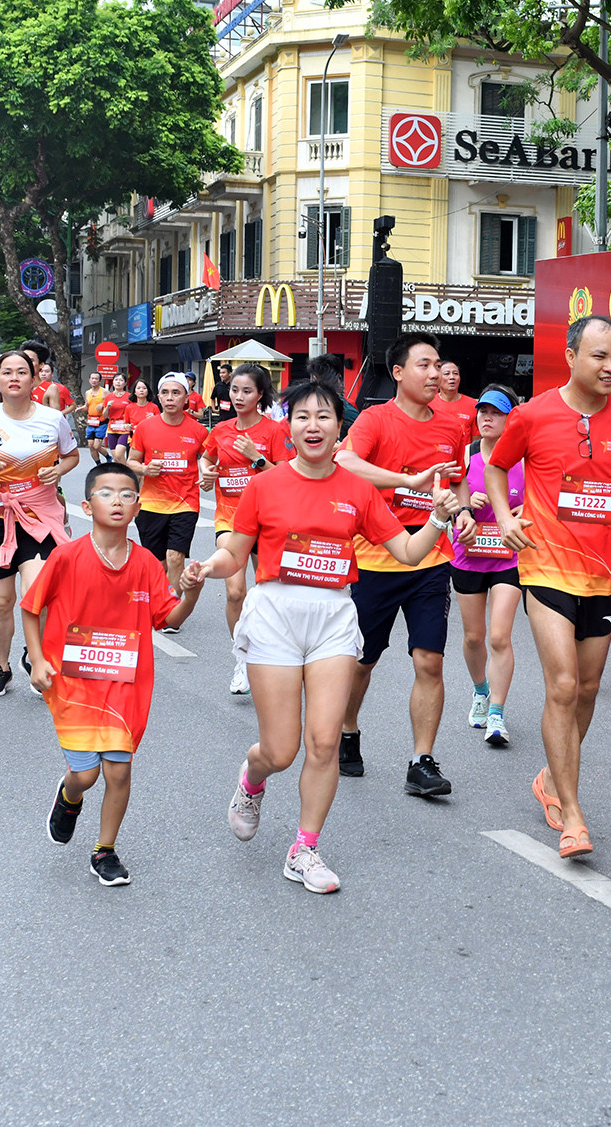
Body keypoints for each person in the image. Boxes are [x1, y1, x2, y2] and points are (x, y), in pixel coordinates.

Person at [185, 378, 459, 894]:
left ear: (340, 430)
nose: (313, 425)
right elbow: (235, 552)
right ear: (289, 428)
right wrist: (207, 568)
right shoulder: (265, 486)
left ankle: (304, 849)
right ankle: (253, 775)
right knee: (282, 750)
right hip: (275, 617)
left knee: (325, 741)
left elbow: (404, 552)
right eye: (303, 416)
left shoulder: (358, 490)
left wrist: (439, 521)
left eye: (325, 417)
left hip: (333, 616)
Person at [486, 315, 611, 858]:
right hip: (544, 568)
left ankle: (550, 777)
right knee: (562, 685)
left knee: (586, 690)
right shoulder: (532, 415)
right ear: (570, 355)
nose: (610, 367)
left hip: (605, 573)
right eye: (598, 357)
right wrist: (504, 517)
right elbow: (496, 468)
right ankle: (574, 814)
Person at [23, 460, 200, 885]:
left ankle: (105, 851)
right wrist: (37, 660)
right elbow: (31, 608)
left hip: (125, 683)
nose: (116, 501)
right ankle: (69, 796)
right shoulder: (67, 556)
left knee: (118, 770)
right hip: (73, 681)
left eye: (126, 494)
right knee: (86, 774)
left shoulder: (145, 564)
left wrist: (191, 593)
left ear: (138, 507)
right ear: (87, 505)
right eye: (106, 493)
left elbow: (168, 617)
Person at [334, 332, 470, 795]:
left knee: (430, 660)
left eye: (439, 366)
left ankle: (421, 760)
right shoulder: (375, 419)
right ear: (397, 372)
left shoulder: (453, 427)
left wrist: (465, 512)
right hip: (374, 557)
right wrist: (405, 479)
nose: (435, 374)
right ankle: (347, 730)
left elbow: (457, 482)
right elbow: (346, 461)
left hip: (431, 557)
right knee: (362, 661)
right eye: (424, 365)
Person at [0, 350, 79, 697]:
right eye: (6, 372)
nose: (13, 377)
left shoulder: (53, 420)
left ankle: (35, 656)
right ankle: (2, 667)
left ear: (34, 378)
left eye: (21, 372)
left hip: (39, 515)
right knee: (1, 601)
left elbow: (71, 455)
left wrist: (58, 469)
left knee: (36, 594)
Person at [199, 364, 293, 694]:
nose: (239, 397)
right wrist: (207, 475)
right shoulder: (222, 430)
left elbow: (284, 477)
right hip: (230, 519)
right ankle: (241, 656)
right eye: (235, 390)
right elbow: (207, 459)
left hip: (267, 520)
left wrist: (256, 458)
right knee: (235, 590)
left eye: (247, 391)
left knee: (269, 593)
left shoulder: (275, 431)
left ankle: (271, 656)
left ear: (260, 395)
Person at [451, 386, 525, 747]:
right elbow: (443, 499)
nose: (486, 417)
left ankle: (497, 712)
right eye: (482, 411)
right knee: (473, 637)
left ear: (510, 417)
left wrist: (523, 513)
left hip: (508, 557)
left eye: (495, 412)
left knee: (499, 636)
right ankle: (481, 690)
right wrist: (463, 505)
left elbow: (540, 502)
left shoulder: (524, 460)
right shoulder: (464, 457)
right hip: (468, 555)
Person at [132, 372, 205, 596]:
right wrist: (144, 469)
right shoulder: (145, 428)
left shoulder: (199, 431)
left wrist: (208, 475)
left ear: (186, 398)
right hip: (151, 505)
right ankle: (158, 596)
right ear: (159, 398)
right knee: (157, 563)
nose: (170, 397)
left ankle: (170, 610)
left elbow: (208, 461)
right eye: (165, 393)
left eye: (176, 393)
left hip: (186, 503)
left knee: (176, 557)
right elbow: (131, 461)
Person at [433, 360, 477, 442]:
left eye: (455, 373)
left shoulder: (473, 405)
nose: (452, 377)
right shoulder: (427, 403)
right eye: (446, 374)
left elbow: (476, 442)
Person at [103, 373, 136, 464]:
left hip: (124, 428)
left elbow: (134, 412)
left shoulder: (129, 396)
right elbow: (105, 416)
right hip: (112, 429)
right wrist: (107, 407)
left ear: (125, 383)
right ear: (113, 382)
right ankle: (125, 473)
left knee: (119, 454)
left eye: (121, 380)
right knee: (116, 458)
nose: (118, 382)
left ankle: (128, 471)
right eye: (116, 380)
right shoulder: (108, 397)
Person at [81, 371, 109, 464]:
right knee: (90, 445)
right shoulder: (87, 393)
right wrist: (81, 408)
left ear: (100, 381)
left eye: (96, 379)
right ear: (89, 380)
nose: (94, 380)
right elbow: (87, 405)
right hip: (91, 421)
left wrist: (103, 404)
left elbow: (110, 404)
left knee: (97, 446)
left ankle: (108, 457)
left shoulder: (104, 392)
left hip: (101, 421)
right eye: (92, 378)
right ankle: (98, 464)